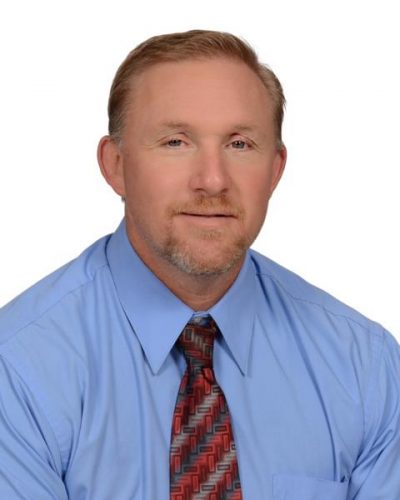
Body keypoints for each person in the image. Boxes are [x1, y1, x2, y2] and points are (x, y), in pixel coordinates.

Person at [0, 29, 399, 500]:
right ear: (116, 165)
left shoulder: (364, 366)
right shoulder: (19, 368)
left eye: (239, 144)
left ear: (275, 169)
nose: (212, 180)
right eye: (176, 142)